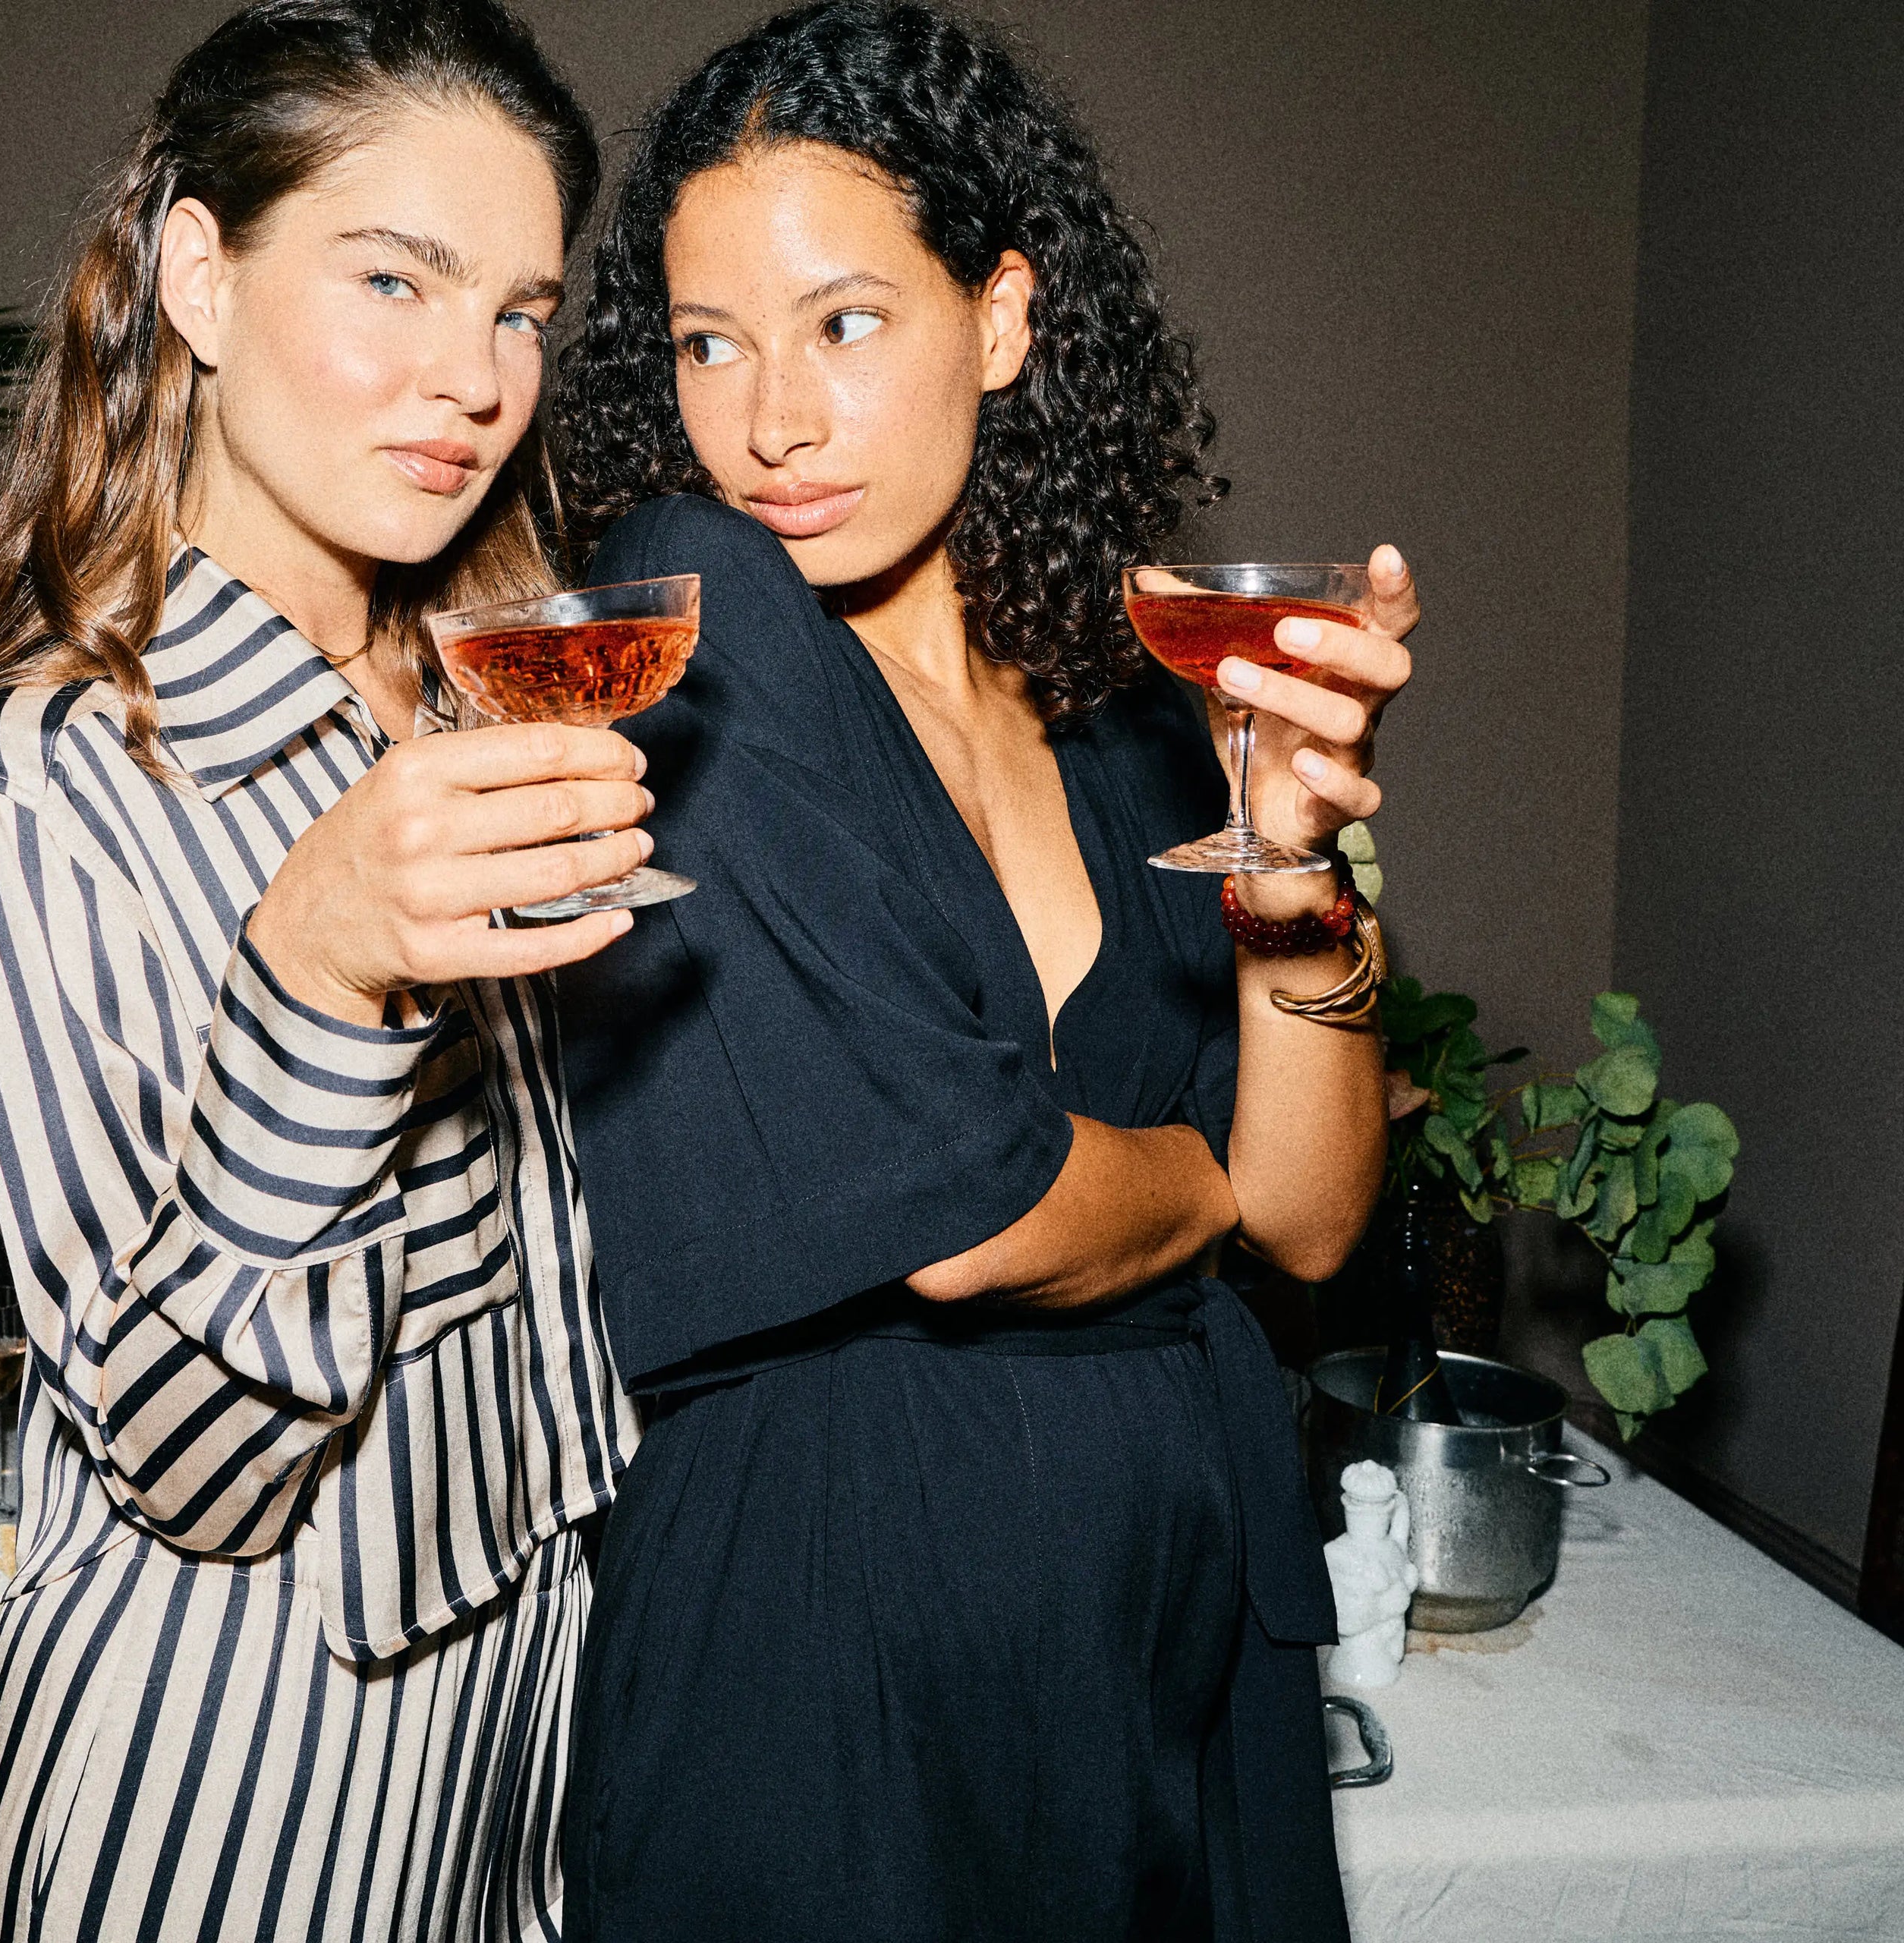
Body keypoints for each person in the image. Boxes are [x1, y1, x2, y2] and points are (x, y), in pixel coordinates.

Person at [549, 5, 1418, 1938]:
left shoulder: (1125, 716)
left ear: (1003, 319)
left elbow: (1319, 1208)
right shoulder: (697, 632)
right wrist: (1183, 1186)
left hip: (1166, 1616)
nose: (768, 417)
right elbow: (973, 1219)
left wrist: (1298, 855)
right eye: (710, 343)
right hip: (837, 1636)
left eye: (845, 323)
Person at [0, 5, 644, 1935]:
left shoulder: (481, 691)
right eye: (396, 278)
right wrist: (313, 977)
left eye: (522, 313)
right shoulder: (42, 775)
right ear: (198, 274)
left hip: (510, 1795)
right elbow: (200, 1465)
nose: (472, 378)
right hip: (219, 1823)